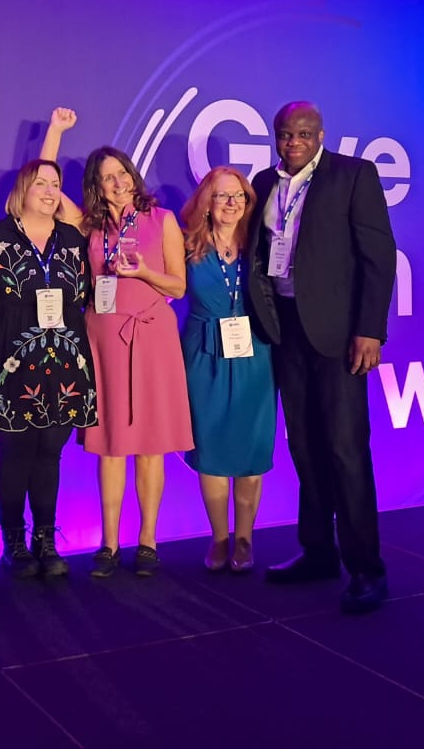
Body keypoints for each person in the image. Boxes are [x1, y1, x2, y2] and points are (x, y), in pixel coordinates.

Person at [245, 100, 396, 614]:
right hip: (285, 331)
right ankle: (317, 551)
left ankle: (366, 568)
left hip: (338, 337)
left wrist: (368, 331)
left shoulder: (354, 176)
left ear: (321, 135)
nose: (294, 142)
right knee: (305, 447)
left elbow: (379, 261)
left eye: (304, 134)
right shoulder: (264, 184)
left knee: (347, 451)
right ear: (275, 136)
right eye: (286, 134)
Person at [40, 108, 193, 577]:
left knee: (150, 445)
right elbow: (41, 184)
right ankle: (108, 544)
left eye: (121, 173)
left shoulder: (162, 219)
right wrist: (55, 132)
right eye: (106, 178)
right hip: (104, 340)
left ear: (133, 175)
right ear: (96, 186)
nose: (116, 182)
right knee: (110, 445)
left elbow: (178, 287)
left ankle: (147, 541)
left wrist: (144, 272)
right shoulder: (89, 224)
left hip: (152, 338)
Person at [0, 159, 96, 578]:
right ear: (22, 190)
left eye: (55, 184)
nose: (49, 191)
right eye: (40, 184)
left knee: (51, 452)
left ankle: (46, 538)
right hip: (14, 357)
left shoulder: (72, 238)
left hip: (66, 357)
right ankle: (13, 540)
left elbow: (84, 295)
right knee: (14, 453)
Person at [177, 167, 276, 574]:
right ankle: (219, 537)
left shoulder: (262, 245)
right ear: (206, 202)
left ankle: (245, 538)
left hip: (255, 354)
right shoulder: (184, 246)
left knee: (251, 449)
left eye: (239, 196)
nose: (232, 203)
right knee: (211, 447)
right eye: (222, 196)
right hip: (203, 354)